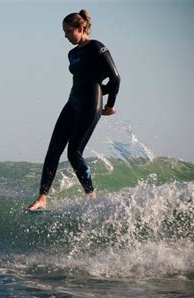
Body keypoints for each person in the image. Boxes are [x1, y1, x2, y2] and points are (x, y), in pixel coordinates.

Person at [26, 9, 120, 211]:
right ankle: (42, 198)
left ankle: (92, 196)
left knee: (74, 153)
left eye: (69, 31)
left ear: (81, 28)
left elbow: (115, 78)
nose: (66, 36)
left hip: (90, 104)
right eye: (65, 32)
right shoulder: (72, 53)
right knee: (53, 150)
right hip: (72, 102)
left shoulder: (97, 47)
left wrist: (110, 104)